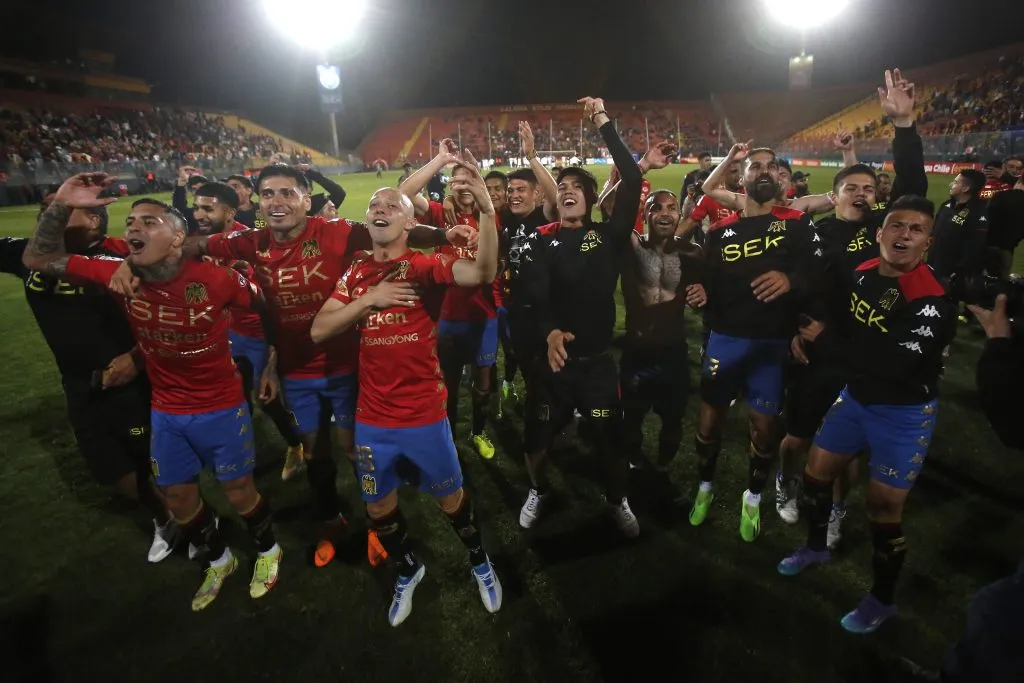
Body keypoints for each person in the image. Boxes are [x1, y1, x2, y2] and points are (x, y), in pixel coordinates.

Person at [111, 165, 465, 567]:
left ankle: (377, 523)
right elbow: (193, 246)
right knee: (315, 453)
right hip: (297, 372)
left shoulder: (335, 230)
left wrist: (442, 235)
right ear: (258, 202)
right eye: (268, 194)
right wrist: (133, 262)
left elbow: (395, 228)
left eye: (287, 193)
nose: (276, 202)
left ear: (305, 198)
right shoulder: (250, 241)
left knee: (353, 449)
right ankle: (331, 521)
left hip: (347, 365)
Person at [23, 174, 283, 611]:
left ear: (179, 237)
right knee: (179, 496)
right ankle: (219, 559)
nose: (134, 228)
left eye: (150, 221)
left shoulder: (214, 280)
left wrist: (272, 362)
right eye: (131, 222)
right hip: (167, 410)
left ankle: (268, 550)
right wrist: (62, 203)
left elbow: (264, 307)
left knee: (239, 491)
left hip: (221, 405)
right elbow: (37, 256)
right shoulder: (114, 273)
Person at [309, 174, 502, 628]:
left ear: (410, 220)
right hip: (372, 417)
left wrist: (489, 212)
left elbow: (481, 273)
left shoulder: (423, 265)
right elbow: (320, 329)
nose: (381, 209)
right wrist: (369, 300)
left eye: (392, 205)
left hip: (422, 414)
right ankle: (409, 568)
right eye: (376, 204)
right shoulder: (356, 270)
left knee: (451, 499)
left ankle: (479, 560)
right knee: (378, 506)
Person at [777, 195, 956, 635]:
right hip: (856, 398)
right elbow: (848, 327)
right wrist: (808, 334)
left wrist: (824, 341)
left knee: (883, 507)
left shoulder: (932, 299)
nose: (905, 234)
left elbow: (890, 363)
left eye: (916, 230)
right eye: (897, 225)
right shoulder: (862, 274)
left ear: (927, 243)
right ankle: (816, 547)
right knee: (817, 476)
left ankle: (882, 599)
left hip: (903, 413)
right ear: (880, 233)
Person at [778, 68, 927, 549]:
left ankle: (838, 509)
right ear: (835, 195)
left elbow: (914, 185)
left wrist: (903, 126)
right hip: (817, 348)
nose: (862, 194)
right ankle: (786, 482)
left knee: (850, 447)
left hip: (865, 351)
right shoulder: (812, 232)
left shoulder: (883, 228)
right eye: (852, 188)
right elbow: (794, 289)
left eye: (869, 189)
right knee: (798, 437)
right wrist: (794, 333)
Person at [517, 95, 674, 536]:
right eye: (560, 185)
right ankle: (539, 490)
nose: (566, 189)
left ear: (589, 199)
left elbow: (629, 174)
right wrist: (548, 333)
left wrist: (602, 120)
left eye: (576, 186)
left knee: (611, 441)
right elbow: (537, 293)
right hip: (552, 367)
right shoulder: (543, 241)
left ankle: (617, 500)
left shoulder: (609, 236)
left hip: (599, 368)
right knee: (537, 440)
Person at [0, 192, 173, 563]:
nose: (48, 215)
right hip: (78, 385)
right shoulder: (33, 257)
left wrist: (136, 359)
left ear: (94, 220)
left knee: (154, 464)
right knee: (112, 467)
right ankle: (166, 520)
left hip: (129, 383)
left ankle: (191, 522)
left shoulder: (123, 263)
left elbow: (174, 319)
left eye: (61, 210)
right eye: (47, 209)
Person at [688, 144, 820, 542]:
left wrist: (790, 280)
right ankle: (705, 487)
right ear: (741, 178)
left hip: (772, 346)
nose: (763, 172)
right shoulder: (718, 231)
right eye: (754, 167)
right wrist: (698, 290)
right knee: (709, 425)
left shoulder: (797, 224)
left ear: (780, 178)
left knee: (764, 431)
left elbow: (817, 273)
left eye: (770, 167)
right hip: (725, 341)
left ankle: (753, 495)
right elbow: (705, 283)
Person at [191, 181, 306, 480]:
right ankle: (237, 449)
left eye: (207, 208)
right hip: (227, 333)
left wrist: (272, 348)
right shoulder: (198, 242)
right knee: (232, 396)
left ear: (229, 213)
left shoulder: (250, 242)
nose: (198, 214)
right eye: (196, 207)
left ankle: (296, 446)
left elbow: (268, 297)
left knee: (266, 399)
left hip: (258, 335)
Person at [399, 142, 502, 458]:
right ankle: (449, 441)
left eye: (470, 178)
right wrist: (441, 159)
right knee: (448, 385)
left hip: (483, 315)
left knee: (484, 382)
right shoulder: (438, 214)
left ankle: (479, 432)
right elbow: (403, 194)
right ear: (448, 185)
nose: (463, 185)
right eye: (457, 180)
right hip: (445, 316)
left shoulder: (492, 216)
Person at [619, 190, 707, 472]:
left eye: (671, 208)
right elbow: (608, 205)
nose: (665, 213)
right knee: (630, 417)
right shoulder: (630, 246)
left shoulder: (692, 253)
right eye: (656, 208)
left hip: (673, 354)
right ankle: (633, 459)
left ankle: (663, 466)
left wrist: (704, 291)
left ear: (680, 215)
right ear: (645, 215)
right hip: (636, 353)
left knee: (673, 420)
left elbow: (710, 291)